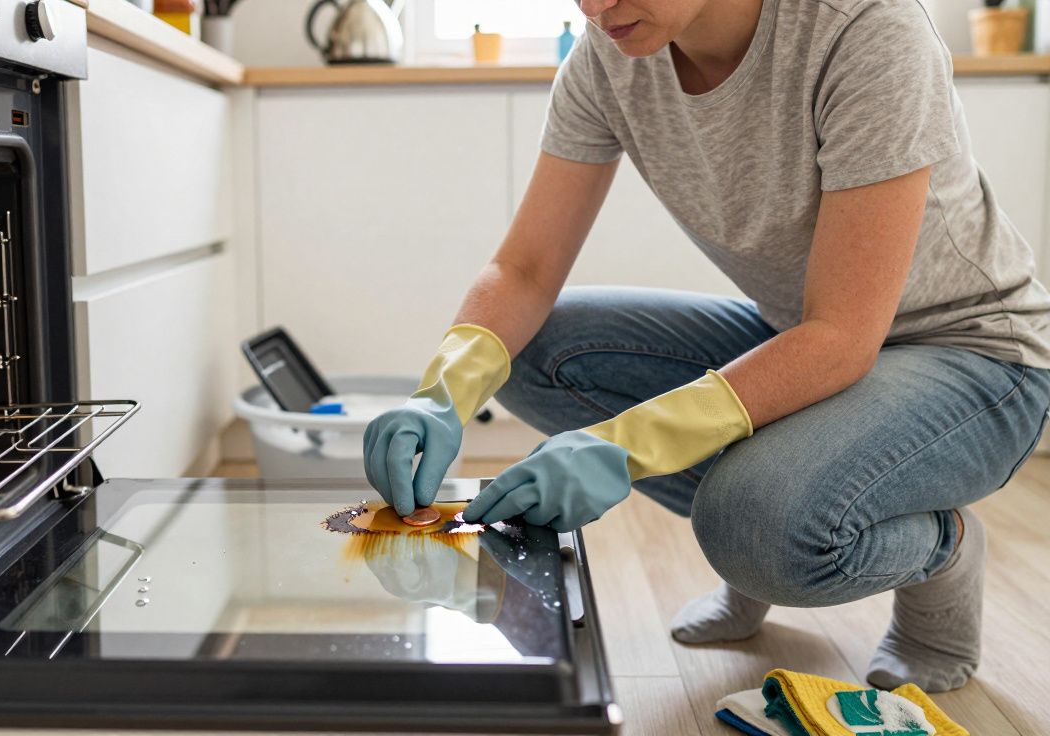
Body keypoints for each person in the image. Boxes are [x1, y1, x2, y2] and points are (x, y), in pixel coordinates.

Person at [362, 0, 1050, 693]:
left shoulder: (868, 29)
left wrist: (626, 444)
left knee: (754, 526)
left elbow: (843, 337)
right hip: (806, 336)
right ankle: (760, 507)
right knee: (536, 350)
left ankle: (936, 547)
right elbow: (525, 271)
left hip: (976, 356)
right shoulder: (608, 56)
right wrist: (443, 392)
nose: (598, 7)